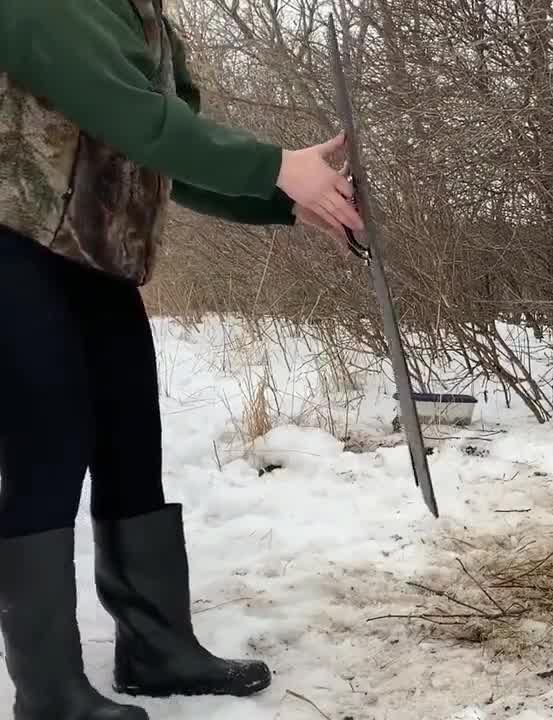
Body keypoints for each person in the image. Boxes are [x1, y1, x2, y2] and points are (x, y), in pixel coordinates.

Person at [0, 2, 362, 718]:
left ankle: (156, 650)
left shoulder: (143, 16)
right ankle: (50, 693)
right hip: (14, 246)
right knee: (50, 442)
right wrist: (277, 167)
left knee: (131, 438)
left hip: (92, 256)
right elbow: (139, 122)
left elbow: (167, 155)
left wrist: (285, 199)